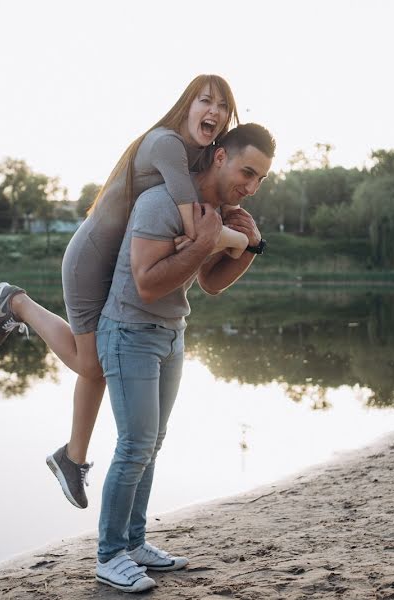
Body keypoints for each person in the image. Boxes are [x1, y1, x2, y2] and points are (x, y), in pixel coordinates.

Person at [0, 75, 250, 509]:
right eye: (206, 101)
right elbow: (191, 219)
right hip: (91, 260)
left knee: (98, 366)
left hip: (122, 266)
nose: (215, 113)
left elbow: (208, 212)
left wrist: (230, 224)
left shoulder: (204, 156)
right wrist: (229, 240)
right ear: (187, 105)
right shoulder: (165, 144)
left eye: (223, 106)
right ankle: (17, 302)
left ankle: (71, 457)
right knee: (92, 364)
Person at [92, 123, 276, 592]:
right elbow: (149, 283)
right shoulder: (159, 204)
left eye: (260, 180)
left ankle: (134, 543)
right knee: (134, 445)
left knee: (151, 444)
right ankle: (109, 555)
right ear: (219, 157)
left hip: (171, 334)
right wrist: (206, 240)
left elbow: (211, 283)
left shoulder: (216, 213)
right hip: (130, 331)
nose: (251, 186)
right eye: (246, 172)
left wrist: (249, 246)